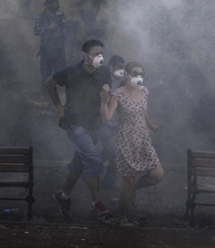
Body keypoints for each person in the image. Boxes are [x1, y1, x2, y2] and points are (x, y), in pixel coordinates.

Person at [47, 39, 113, 220]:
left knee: (79, 163)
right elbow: (50, 82)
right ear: (85, 56)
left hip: (95, 125)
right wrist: (58, 106)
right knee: (93, 159)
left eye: (101, 53)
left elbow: (107, 92)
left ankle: (63, 196)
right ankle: (96, 204)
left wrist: (106, 94)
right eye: (95, 53)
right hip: (74, 123)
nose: (99, 57)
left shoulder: (105, 71)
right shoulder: (71, 72)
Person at [101, 62, 163, 226]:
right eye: (135, 73)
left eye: (142, 74)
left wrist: (150, 124)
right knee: (128, 183)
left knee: (157, 175)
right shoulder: (118, 94)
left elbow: (143, 110)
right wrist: (103, 101)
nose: (139, 77)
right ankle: (122, 218)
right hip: (126, 141)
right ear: (126, 75)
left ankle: (134, 191)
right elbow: (106, 117)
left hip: (143, 138)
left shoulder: (144, 91)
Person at [101, 55, 126, 190]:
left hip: (115, 124)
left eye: (123, 68)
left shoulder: (120, 84)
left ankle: (107, 183)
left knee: (115, 152)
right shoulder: (106, 83)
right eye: (119, 67)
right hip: (104, 124)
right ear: (111, 67)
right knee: (113, 150)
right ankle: (89, 166)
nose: (121, 70)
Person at [34, 0, 67, 87]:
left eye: (56, 4)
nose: (55, 6)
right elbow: (36, 31)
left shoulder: (61, 15)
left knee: (61, 73)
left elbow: (66, 29)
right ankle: (46, 95)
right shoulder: (40, 16)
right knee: (46, 74)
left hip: (59, 49)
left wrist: (60, 32)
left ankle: (61, 94)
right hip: (46, 49)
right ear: (47, 5)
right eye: (53, 4)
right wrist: (47, 28)